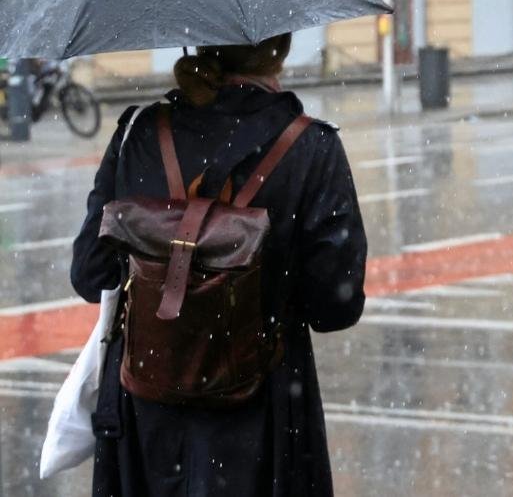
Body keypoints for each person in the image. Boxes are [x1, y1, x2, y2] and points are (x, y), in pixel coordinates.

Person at [70, 34, 368, 497]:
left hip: (146, 418)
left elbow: (92, 276)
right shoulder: (312, 146)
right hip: (261, 419)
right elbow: (335, 308)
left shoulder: (138, 131)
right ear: (281, 49)